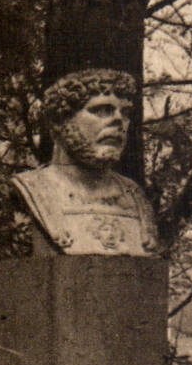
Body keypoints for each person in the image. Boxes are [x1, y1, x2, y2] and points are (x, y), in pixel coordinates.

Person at [12, 68, 159, 256]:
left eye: (125, 113)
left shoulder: (135, 196)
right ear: (60, 120)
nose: (118, 120)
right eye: (102, 110)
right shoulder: (35, 188)